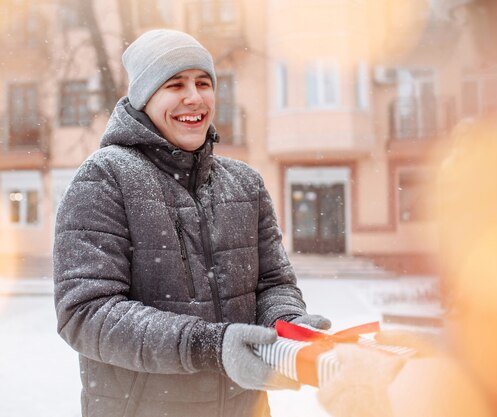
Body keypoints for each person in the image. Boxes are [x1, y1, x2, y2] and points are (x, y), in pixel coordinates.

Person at [53, 29, 331, 417]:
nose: (195, 97)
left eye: (203, 82)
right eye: (174, 84)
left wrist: (288, 328)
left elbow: (272, 285)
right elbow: (85, 314)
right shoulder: (104, 179)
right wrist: (209, 346)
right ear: (145, 98)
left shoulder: (245, 183)